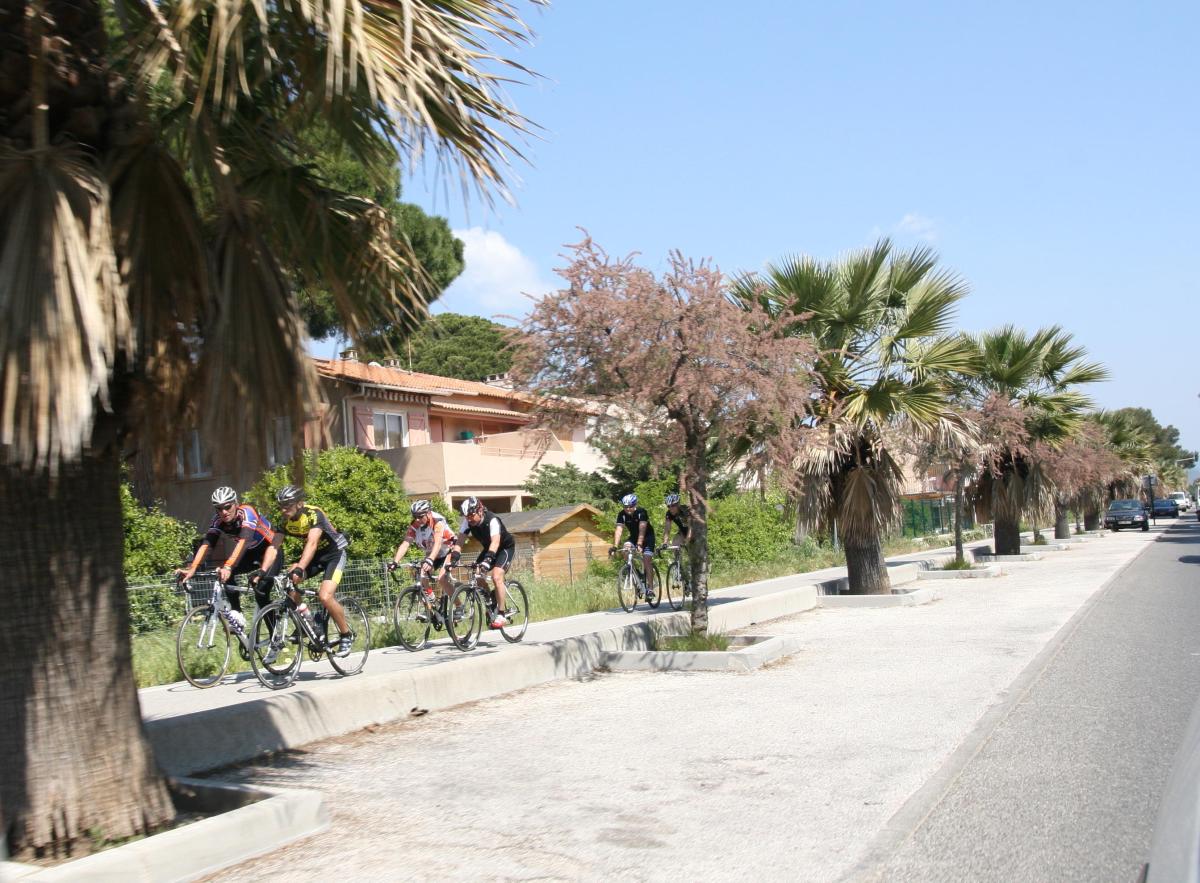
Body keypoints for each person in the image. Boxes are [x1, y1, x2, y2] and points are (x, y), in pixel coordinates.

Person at [176, 486, 282, 617]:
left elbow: (243, 542)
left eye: (227, 507)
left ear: (236, 504)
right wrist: (193, 568)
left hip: (271, 551)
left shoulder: (247, 512)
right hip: (251, 552)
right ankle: (237, 615)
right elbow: (207, 544)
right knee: (225, 574)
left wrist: (228, 566)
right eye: (219, 508)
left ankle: (274, 635)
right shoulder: (218, 521)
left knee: (261, 592)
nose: (224, 512)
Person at [276, 484, 354, 658]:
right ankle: (310, 622)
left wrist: (300, 568)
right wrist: (263, 572)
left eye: (287, 504)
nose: (283, 509)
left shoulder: (313, 513)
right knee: (288, 581)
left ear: (299, 503)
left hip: (335, 555)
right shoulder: (285, 521)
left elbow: (312, 543)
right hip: (316, 557)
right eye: (280, 505)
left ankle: (345, 634)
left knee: (325, 596)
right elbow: (274, 547)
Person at [455, 496, 515, 629]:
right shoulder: (468, 523)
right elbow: (459, 541)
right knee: (477, 576)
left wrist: (488, 560)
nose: (469, 519)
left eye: (471, 515)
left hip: (504, 548)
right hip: (489, 550)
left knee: (496, 576)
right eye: (466, 516)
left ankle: (501, 613)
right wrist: (454, 556)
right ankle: (490, 601)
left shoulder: (492, 520)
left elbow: (495, 542)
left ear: (480, 510)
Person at [388, 500, 459, 610]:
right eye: (415, 516)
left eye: (420, 516)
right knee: (422, 575)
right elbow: (406, 543)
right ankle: (433, 601)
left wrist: (430, 559)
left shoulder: (437, 522)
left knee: (441, 578)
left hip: (448, 550)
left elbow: (438, 543)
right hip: (433, 553)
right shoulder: (415, 525)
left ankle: (459, 606)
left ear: (428, 513)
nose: (417, 519)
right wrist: (395, 561)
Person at [613, 493, 655, 601]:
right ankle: (634, 571)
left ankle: (650, 589)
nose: (628, 509)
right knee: (625, 550)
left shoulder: (641, 512)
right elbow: (619, 530)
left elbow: (642, 529)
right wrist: (614, 546)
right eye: (625, 507)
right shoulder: (622, 514)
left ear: (634, 505)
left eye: (630, 506)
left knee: (646, 560)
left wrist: (639, 544)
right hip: (634, 537)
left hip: (647, 537)